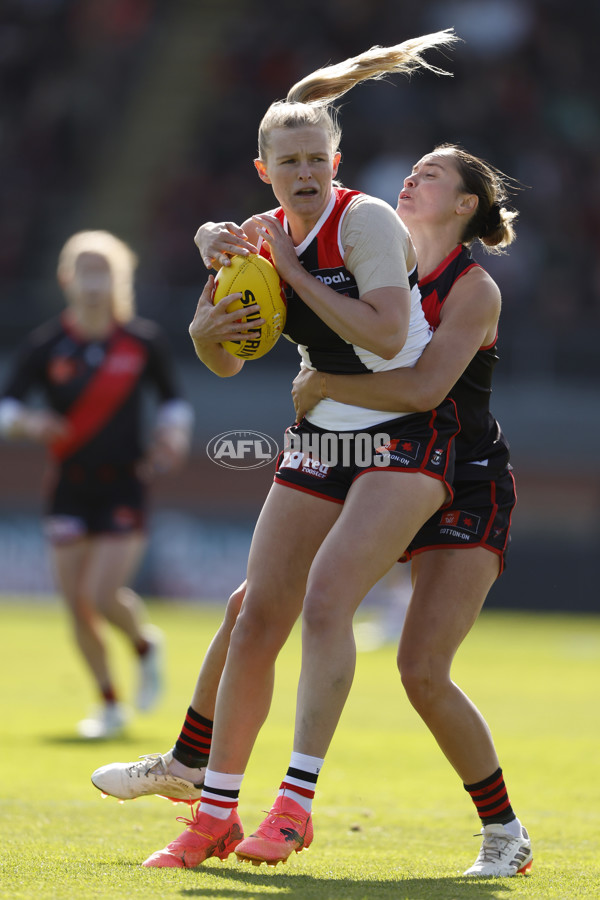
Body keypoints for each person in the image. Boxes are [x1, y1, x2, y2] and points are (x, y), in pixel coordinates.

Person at [92, 141, 533, 877]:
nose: (411, 176)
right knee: (252, 607)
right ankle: (190, 764)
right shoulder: (369, 243)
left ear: (465, 205)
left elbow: (423, 389)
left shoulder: (472, 288)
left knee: (422, 668)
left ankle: (503, 831)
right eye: (412, 168)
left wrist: (326, 388)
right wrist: (215, 244)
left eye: (433, 175)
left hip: (463, 473)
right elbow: (295, 195)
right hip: (370, 456)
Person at [116, 31, 462, 869]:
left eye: (317, 157)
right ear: (263, 170)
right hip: (321, 432)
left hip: (404, 431)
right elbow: (227, 358)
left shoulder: (367, 221)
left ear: (335, 162)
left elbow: (385, 333)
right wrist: (204, 331)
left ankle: (294, 802)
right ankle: (213, 812)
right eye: (290, 161)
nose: (306, 172)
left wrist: (295, 277)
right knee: (256, 614)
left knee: (321, 608)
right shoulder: (252, 238)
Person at [0, 230, 194, 739]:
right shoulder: (48, 344)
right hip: (68, 486)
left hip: (124, 485)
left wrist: (171, 436)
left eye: (102, 269)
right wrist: (31, 423)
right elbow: (8, 407)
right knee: (76, 604)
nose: (92, 280)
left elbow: (174, 401)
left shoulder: (142, 341)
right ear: (67, 278)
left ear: (118, 278)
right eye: (83, 270)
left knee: (103, 593)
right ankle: (109, 704)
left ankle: (146, 646)